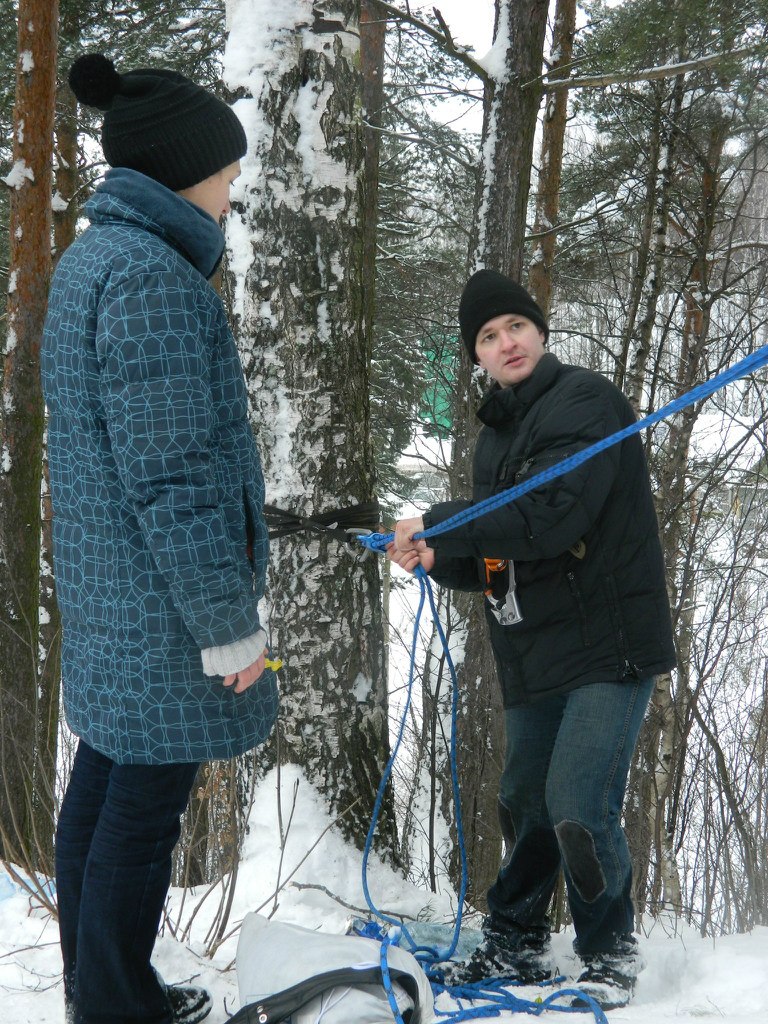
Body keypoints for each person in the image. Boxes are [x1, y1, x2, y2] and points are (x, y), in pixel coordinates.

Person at [42, 54, 279, 1024]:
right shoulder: (154, 281)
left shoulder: (95, 257)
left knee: (101, 787)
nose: (232, 189)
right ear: (184, 170)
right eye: (225, 171)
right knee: (139, 813)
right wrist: (229, 623)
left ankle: (103, 987)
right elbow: (173, 475)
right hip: (162, 607)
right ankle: (114, 1004)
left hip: (113, 592)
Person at [388, 269, 676, 1010]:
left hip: (608, 642)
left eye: (514, 326)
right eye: (487, 336)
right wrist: (439, 554)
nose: (505, 342)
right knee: (523, 799)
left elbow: (549, 515)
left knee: (577, 798)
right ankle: (513, 940)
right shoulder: (496, 435)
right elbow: (503, 549)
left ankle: (609, 952)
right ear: (475, 357)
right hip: (533, 648)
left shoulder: (585, 400)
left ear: (540, 333)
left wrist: (440, 520)